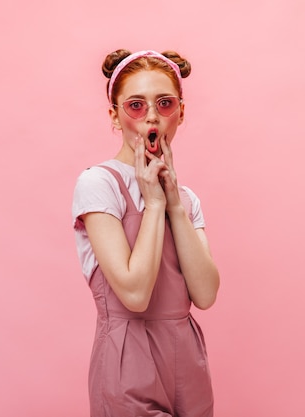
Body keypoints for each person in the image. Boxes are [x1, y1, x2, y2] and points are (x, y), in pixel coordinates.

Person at [72, 49, 220, 417]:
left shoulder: (186, 198)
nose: (152, 116)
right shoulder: (98, 184)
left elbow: (204, 294)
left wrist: (172, 203)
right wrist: (152, 205)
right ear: (115, 116)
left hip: (188, 362)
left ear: (181, 112)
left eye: (164, 103)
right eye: (136, 105)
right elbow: (135, 293)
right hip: (127, 361)